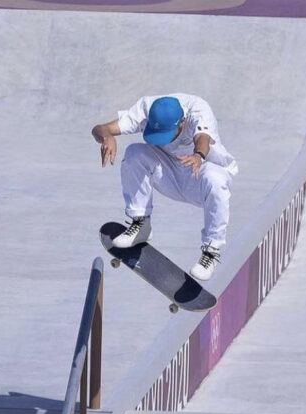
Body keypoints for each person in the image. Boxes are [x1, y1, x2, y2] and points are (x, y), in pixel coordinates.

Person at [92, 94, 237, 282]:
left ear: (182, 124)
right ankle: (141, 223)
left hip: (197, 175)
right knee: (135, 153)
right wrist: (106, 136)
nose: (162, 141)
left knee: (215, 178)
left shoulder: (198, 111)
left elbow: (203, 137)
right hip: (167, 172)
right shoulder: (147, 109)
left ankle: (211, 251)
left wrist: (198, 155)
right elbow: (100, 128)